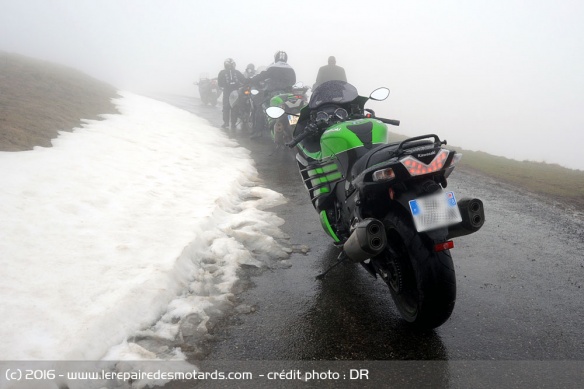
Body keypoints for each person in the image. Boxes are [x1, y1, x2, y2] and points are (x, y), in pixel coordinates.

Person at [249, 51, 296, 138]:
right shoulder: (291, 68)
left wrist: (251, 80)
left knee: (261, 108)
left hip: (272, 93)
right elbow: (293, 81)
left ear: (276, 57)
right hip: (287, 94)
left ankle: (258, 131)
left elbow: (261, 76)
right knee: (290, 109)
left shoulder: (272, 67)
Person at [217, 58, 245, 130]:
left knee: (227, 107)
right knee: (234, 107)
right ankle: (233, 123)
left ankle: (227, 122)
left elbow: (219, 83)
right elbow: (244, 80)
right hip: (234, 91)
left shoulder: (222, 72)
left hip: (228, 91)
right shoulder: (237, 72)